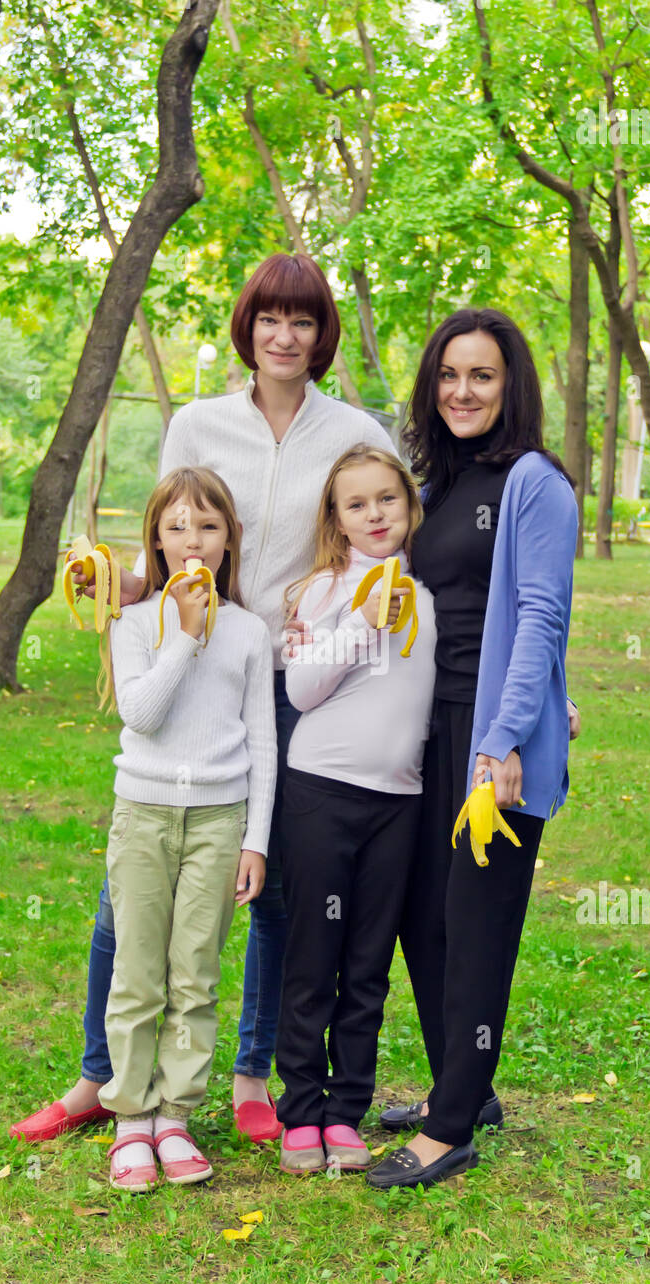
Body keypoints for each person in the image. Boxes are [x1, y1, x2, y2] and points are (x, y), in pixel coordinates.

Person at [9, 253, 393, 1147]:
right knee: (126, 899)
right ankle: (99, 1079)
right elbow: (168, 529)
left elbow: (375, 542)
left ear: (322, 334)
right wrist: (118, 583)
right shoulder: (198, 421)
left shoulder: (352, 429)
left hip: (295, 678)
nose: (285, 336)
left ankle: (250, 1075)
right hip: (193, 661)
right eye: (270, 319)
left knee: (271, 886)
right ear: (248, 328)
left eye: (303, 321)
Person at [366, 308, 579, 1190]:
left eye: (481, 376)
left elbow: (540, 617)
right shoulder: (440, 481)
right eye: (449, 375)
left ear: (511, 385)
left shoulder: (537, 483)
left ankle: (451, 1127)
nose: (462, 390)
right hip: (429, 728)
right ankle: (468, 1083)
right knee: (426, 917)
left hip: (492, 744)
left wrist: (508, 734)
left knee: (478, 928)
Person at [98, 466, 276, 1190]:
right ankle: (131, 1119)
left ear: (230, 536)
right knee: (138, 973)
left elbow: (263, 742)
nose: (192, 541)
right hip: (143, 815)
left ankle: (175, 1116)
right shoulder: (134, 621)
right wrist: (184, 635)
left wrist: (256, 838)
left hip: (218, 819)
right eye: (176, 527)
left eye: (208, 525)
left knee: (194, 976)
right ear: (157, 539)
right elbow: (141, 714)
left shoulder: (249, 632)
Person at [274, 446, 436, 1175]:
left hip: (398, 801)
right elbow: (304, 692)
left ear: (409, 504)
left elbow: (466, 669)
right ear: (336, 522)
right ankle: (300, 1111)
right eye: (357, 505)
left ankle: (347, 1111)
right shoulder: (323, 591)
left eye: (387, 500)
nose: (376, 515)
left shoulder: (432, 590)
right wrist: (363, 616)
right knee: (316, 956)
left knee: (368, 962)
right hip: (321, 790)